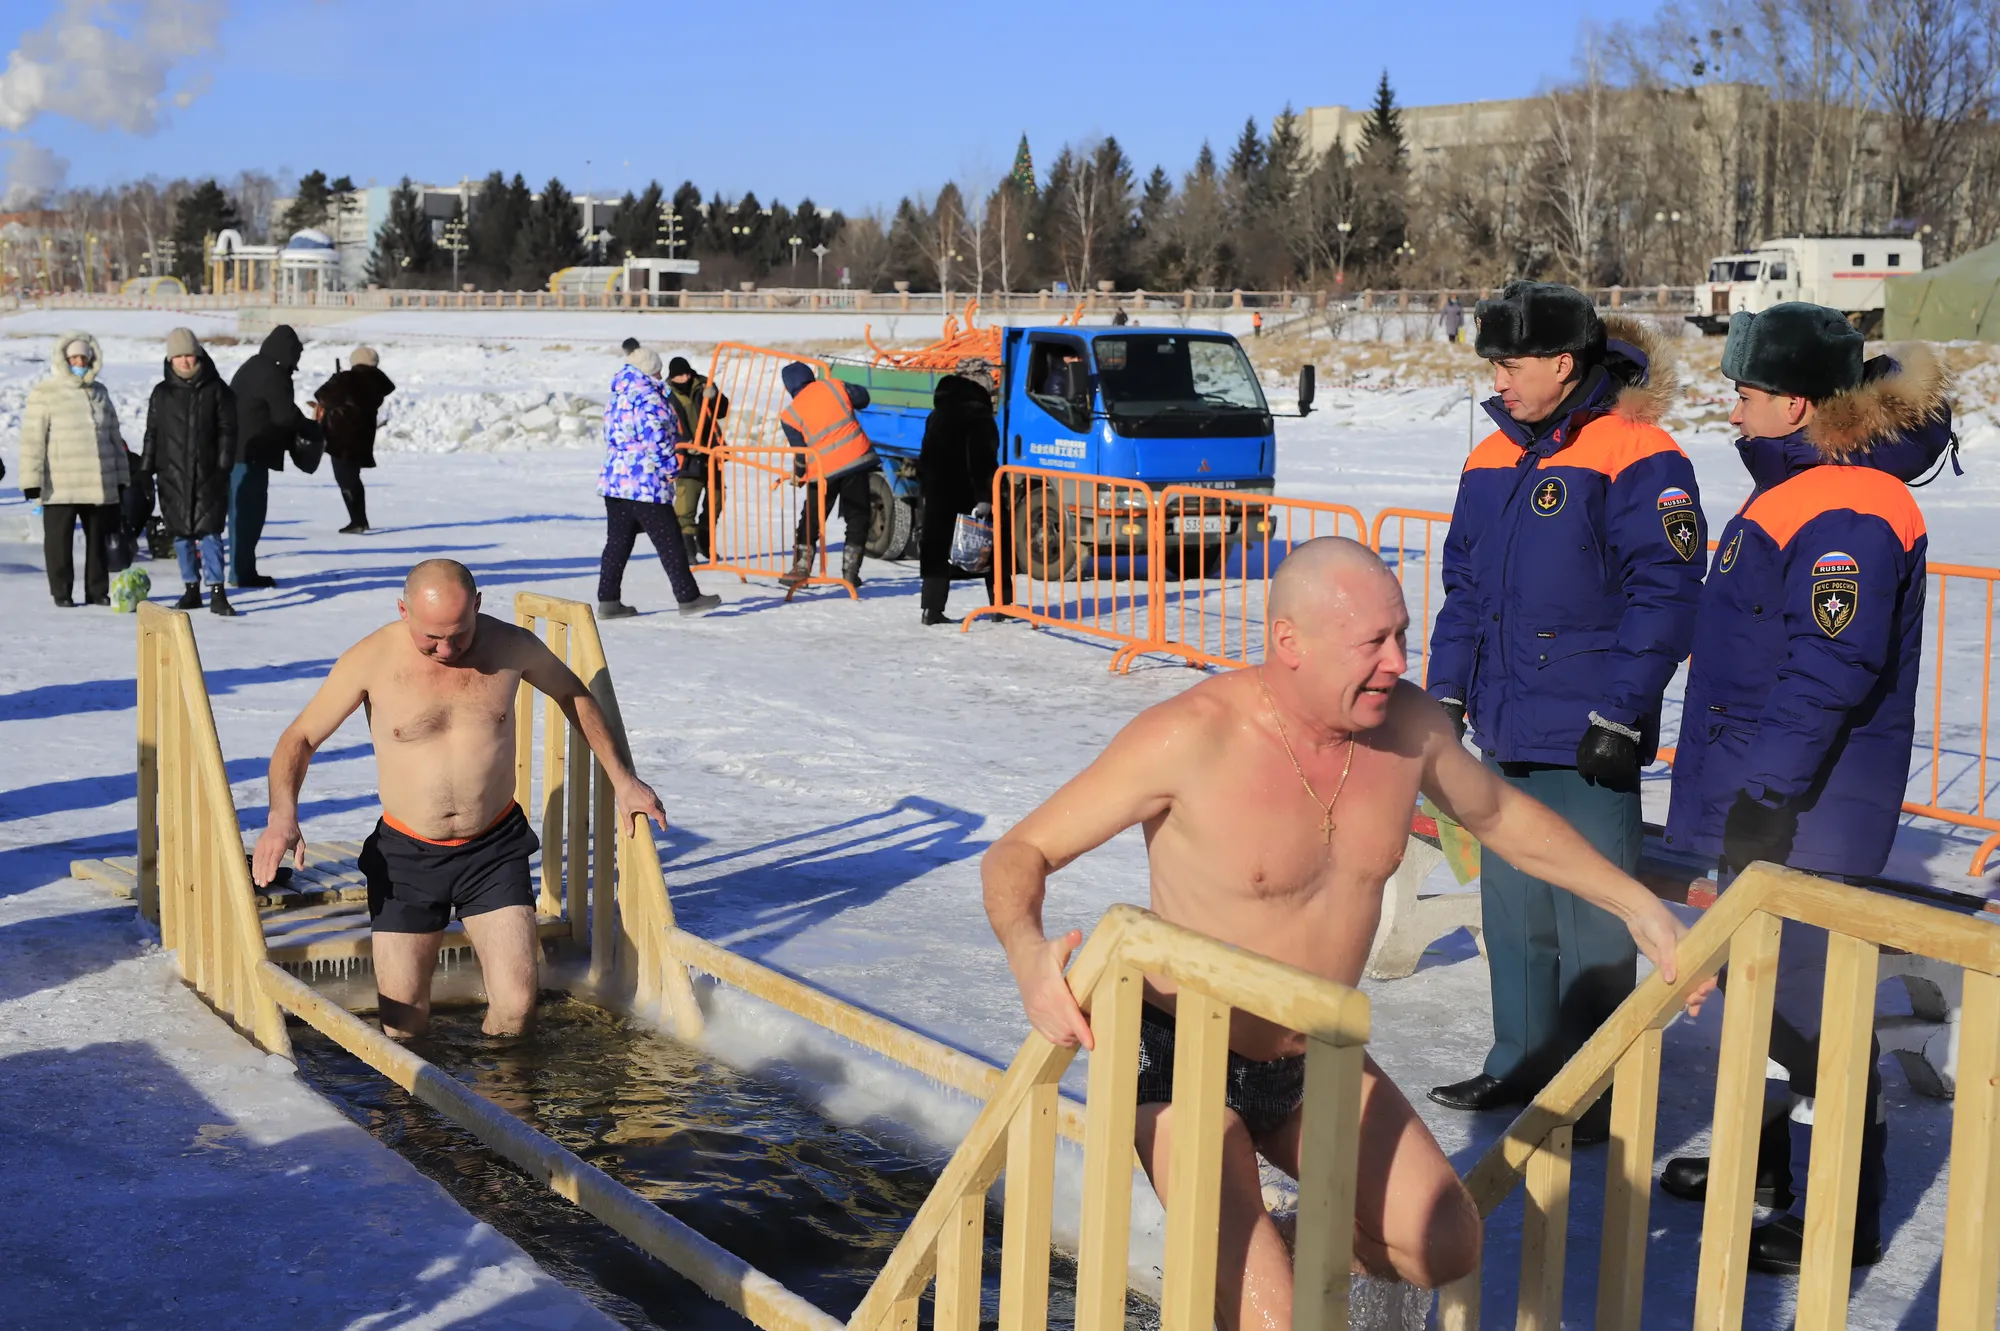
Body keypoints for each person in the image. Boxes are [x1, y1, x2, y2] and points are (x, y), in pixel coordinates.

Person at [984, 537, 1707, 1330]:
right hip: (1181, 1056)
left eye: (1402, 633)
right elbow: (1021, 852)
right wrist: (1028, 952)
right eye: (1373, 642)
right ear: (1289, 641)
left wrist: (1635, 904)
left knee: (1445, 1245)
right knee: (1276, 1320)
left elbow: (1502, 817)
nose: (1398, 660)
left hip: (1311, 1053)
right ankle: (1251, 1277)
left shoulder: (1410, 729)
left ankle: (1282, 1246)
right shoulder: (1190, 736)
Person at [1657, 304, 1953, 1275]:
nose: (1729, 408)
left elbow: (1826, 668)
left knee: (1818, 1025)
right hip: (1767, 801)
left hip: (1809, 815)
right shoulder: (1794, 489)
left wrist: (1765, 795)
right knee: (1763, 1008)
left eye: (1741, 392)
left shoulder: (1852, 507)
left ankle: (1838, 1210)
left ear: (1788, 401)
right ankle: (1762, 1164)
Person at [1424, 282, 1705, 1133]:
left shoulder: (1638, 451)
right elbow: (1465, 589)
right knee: (1514, 911)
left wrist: (1622, 713)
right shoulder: (1489, 457)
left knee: (1595, 922)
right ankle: (1521, 1059)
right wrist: (1445, 693)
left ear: (1561, 363)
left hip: (1590, 734)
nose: (1498, 379)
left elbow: (1667, 590)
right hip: (1507, 728)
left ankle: (1596, 1083)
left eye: (1509, 363)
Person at [251, 560, 669, 1038]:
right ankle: (415, 1115)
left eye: (459, 634)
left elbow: (573, 695)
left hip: (493, 847)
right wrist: (282, 814)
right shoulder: (371, 658)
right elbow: (300, 737)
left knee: (516, 1008)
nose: (446, 649)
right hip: (407, 855)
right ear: (403, 610)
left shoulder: (511, 646)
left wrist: (623, 777)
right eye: (431, 637)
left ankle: (504, 1103)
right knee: (403, 1024)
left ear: (477, 606)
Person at [596, 347, 720, 619]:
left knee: (617, 542)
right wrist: (670, 468)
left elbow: (610, 434)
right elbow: (658, 439)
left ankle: (608, 600)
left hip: (615, 480)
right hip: (646, 482)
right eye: (659, 370)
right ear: (650, 370)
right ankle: (688, 598)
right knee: (669, 540)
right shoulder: (649, 397)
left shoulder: (617, 397)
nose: (661, 375)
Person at [19, 332, 129, 608]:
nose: (79, 362)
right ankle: (62, 591)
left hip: (97, 481)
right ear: (64, 360)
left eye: (83, 357)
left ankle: (97, 590)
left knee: (98, 541)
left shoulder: (99, 392)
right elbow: (33, 439)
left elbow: (114, 438)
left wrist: (121, 477)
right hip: (60, 484)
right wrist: (32, 480)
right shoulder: (46, 393)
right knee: (58, 542)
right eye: (74, 358)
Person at [140, 327, 239, 617]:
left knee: (210, 533)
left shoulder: (217, 389)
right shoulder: (162, 393)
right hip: (172, 476)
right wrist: (145, 469)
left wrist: (222, 464)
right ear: (170, 359)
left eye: (189, 355)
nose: (184, 362)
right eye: (178, 356)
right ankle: (191, 588)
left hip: (209, 474)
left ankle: (217, 590)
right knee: (181, 534)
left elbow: (228, 430)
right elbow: (152, 434)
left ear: (198, 356)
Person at [228, 324, 322, 589]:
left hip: (238, 450)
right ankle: (241, 573)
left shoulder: (255, 365)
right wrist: (309, 428)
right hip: (251, 454)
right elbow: (283, 415)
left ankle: (240, 569)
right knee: (248, 516)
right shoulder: (273, 373)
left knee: (240, 515)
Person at [777, 361, 879, 590]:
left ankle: (801, 569)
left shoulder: (790, 414)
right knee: (857, 517)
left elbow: (800, 453)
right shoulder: (834, 386)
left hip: (822, 472)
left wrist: (798, 474)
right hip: (856, 460)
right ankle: (850, 573)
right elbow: (863, 398)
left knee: (811, 519)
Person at [916, 366, 1000, 625]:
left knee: (936, 551)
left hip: (938, 492)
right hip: (968, 493)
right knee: (990, 550)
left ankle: (931, 609)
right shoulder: (979, 415)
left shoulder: (936, 415)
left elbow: (925, 456)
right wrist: (985, 496)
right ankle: (1001, 605)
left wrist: (926, 488)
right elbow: (982, 459)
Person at [314, 345, 396, 535]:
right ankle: (359, 519)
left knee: (345, 478)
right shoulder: (377, 382)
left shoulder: (347, 379)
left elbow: (322, 396)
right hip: (363, 435)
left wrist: (336, 379)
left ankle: (358, 520)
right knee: (352, 476)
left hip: (342, 435)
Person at [665, 355, 728, 565]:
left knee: (716, 501)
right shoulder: (666, 396)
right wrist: (684, 443)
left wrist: (715, 397)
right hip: (686, 457)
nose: (684, 378)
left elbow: (721, 412)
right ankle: (687, 549)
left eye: (686, 374)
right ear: (672, 378)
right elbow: (667, 427)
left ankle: (705, 541)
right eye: (679, 376)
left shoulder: (703, 386)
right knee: (685, 506)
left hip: (711, 452)